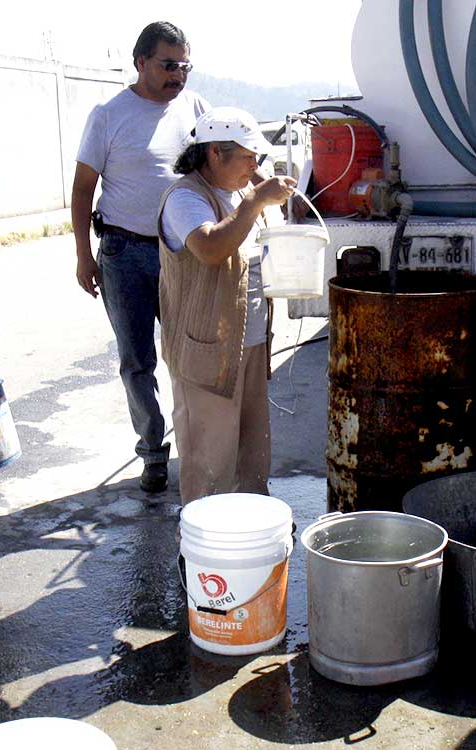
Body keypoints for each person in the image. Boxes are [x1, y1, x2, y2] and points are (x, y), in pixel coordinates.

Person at [71, 21, 209, 493]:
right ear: (141, 63)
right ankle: (153, 453)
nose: (178, 75)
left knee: (189, 355)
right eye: (169, 65)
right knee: (137, 361)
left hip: (183, 254)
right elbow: (83, 189)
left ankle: (196, 447)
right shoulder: (109, 115)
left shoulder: (195, 109)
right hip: (123, 253)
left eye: (185, 65)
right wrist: (83, 257)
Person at [157, 107, 296, 503]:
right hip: (206, 349)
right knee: (210, 458)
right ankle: (202, 548)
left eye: (258, 158)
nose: (255, 166)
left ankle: (251, 535)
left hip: (248, 343)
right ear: (215, 153)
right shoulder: (185, 198)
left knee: (252, 451)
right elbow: (210, 248)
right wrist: (254, 201)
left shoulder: (234, 191)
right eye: (248, 157)